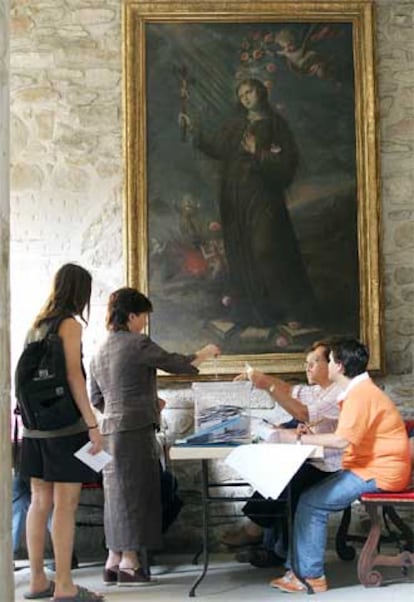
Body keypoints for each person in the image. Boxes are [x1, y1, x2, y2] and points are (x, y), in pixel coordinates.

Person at [89, 287, 220, 586]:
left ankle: (113, 561)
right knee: (136, 495)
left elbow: (97, 399)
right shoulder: (136, 343)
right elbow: (175, 363)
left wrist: (141, 405)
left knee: (116, 496)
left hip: (110, 431)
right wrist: (204, 353)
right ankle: (131, 564)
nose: (145, 324)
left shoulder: (98, 350)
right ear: (132, 315)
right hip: (134, 433)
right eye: (143, 317)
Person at [270, 338, 410, 594]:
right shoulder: (358, 392)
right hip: (373, 467)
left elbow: (341, 440)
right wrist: (306, 433)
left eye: (330, 360)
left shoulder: (360, 394)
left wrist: (297, 438)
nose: (327, 365)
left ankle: (310, 577)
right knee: (307, 496)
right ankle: (297, 571)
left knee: (312, 502)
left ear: (340, 366)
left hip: (380, 471)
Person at [183, 77, 318, 328]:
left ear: (261, 92)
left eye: (250, 91)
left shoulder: (276, 125)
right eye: (241, 93)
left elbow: (287, 165)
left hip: (263, 197)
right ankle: (256, 312)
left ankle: (290, 310)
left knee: (266, 249)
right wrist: (196, 132)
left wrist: (259, 151)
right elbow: (217, 148)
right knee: (241, 251)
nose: (245, 97)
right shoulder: (236, 125)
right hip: (235, 199)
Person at [19, 263, 104, 601]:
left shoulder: (36, 325)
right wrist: (93, 425)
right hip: (64, 428)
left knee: (39, 502)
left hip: (33, 427)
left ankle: (37, 580)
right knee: (66, 505)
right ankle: (65, 586)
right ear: (80, 292)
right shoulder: (69, 324)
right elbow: (74, 377)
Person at [223, 340, 345, 566]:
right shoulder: (317, 390)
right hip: (315, 458)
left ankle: (258, 534)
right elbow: (289, 390)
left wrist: (266, 385)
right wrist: (262, 379)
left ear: (332, 364)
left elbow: (301, 411)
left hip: (334, 464)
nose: (307, 368)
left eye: (314, 362)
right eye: (306, 363)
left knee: (286, 480)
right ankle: (269, 545)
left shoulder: (338, 393)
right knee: (278, 473)